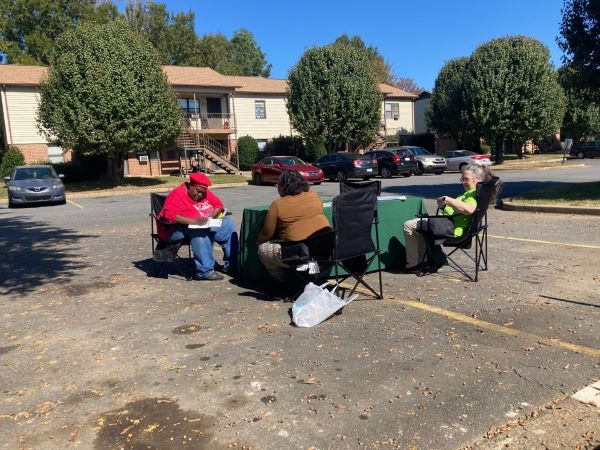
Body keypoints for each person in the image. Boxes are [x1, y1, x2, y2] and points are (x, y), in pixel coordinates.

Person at [403, 164, 498, 270]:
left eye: (466, 179)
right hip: (450, 224)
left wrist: (448, 200)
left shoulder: (472, 195)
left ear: (478, 179)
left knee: (409, 225)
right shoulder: (478, 193)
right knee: (419, 226)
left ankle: (414, 264)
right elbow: (461, 209)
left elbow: (469, 210)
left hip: (452, 230)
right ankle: (425, 260)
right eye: (462, 179)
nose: (463, 182)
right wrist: (445, 205)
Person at [157, 172, 238, 281]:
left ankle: (231, 265)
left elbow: (218, 205)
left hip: (203, 222)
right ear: (191, 185)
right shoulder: (178, 194)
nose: (199, 194)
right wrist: (194, 221)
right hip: (172, 230)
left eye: (202, 192)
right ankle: (205, 271)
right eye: (197, 191)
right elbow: (169, 216)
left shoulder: (204, 191)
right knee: (199, 232)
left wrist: (210, 217)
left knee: (228, 223)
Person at [257, 170, 330, 282]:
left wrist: (258, 241)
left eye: (278, 185)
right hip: (325, 249)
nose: (277, 188)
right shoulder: (315, 196)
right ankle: (312, 277)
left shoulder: (277, 204)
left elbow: (267, 234)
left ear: (284, 187)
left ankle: (282, 282)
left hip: (299, 254)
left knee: (263, 249)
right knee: (310, 247)